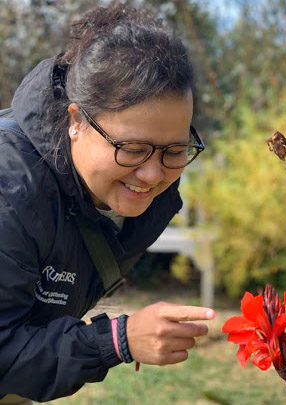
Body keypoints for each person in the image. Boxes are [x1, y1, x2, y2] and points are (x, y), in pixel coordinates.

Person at [0, 2, 215, 403]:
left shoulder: (113, 187)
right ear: (76, 121)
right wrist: (118, 340)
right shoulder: (10, 191)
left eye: (175, 150)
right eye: (132, 149)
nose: (153, 176)